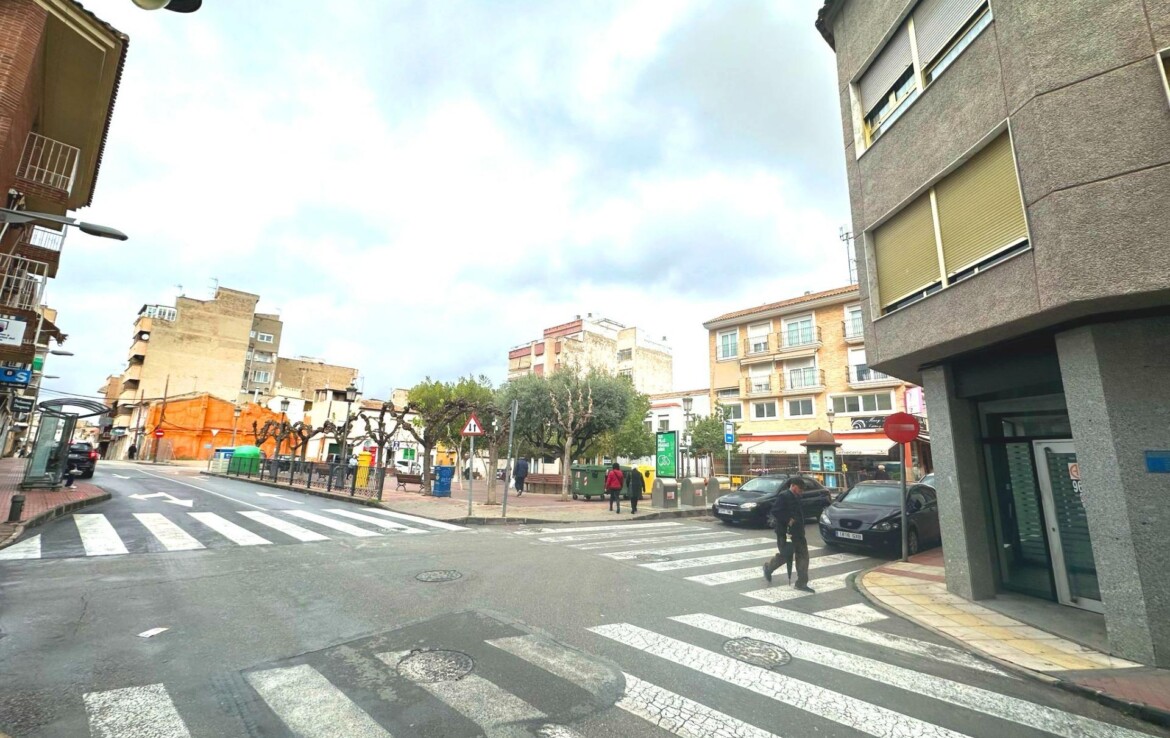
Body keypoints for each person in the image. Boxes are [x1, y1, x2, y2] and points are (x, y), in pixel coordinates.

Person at [763, 478, 813, 592]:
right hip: (785, 533)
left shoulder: (797, 497)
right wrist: (788, 519)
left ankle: (801, 583)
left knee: (803, 556)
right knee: (785, 555)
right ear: (793, 486)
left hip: (798, 532)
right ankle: (769, 567)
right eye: (800, 489)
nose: (801, 491)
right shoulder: (784, 496)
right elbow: (775, 511)